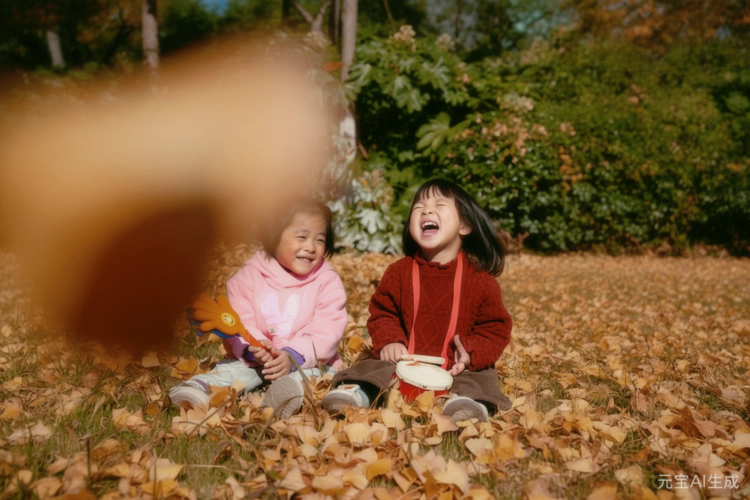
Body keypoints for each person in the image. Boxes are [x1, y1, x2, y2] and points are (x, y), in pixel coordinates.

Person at [322, 179, 512, 421]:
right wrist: (391, 341)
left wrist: (470, 353)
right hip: (404, 360)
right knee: (374, 366)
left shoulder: (481, 280)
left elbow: (494, 328)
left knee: (480, 378)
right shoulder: (399, 272)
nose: (426, 211)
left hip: (457, 366)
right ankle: (358, 393)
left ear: (465, 226)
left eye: (439, 205)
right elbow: (383, 312)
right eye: (418, 207)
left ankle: (467, 405)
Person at [170, 199, 347, 419]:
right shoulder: (249, 277)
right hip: (255, 362)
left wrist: (292, 357)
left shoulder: (326, 281)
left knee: (317, 375)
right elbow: (240, 321)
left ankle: (286, 395)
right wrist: (254, 347)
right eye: (302, 237)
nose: (311, 247)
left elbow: (327, 328)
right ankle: (201, 389)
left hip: (306, 361)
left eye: (320, 240)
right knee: (233, 371)